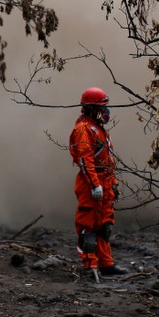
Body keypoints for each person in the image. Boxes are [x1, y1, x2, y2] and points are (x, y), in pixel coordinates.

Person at [68, 87, 128, 277]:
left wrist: (113, 183)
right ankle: (90, 266)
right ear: (92, 108)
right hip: (91, 182)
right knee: (89, 225)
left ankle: (106, 264)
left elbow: (107, 159)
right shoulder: (83, 130)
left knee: (105, 224)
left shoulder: (99, 128)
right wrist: (95, 185)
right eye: (103, 107)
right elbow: (86, 160)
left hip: (105, 179)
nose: (106, 111)